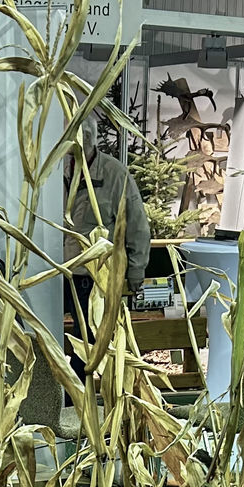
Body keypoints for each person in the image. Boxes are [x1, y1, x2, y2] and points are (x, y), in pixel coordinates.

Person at [63, 116, 151, 344]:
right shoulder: (58, 170)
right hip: (58, 274)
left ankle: (81, 379)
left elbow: (137, 226)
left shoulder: (114, 174)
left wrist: (135, 272)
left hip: (92, 278)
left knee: (90, 339)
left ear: (87, 138)